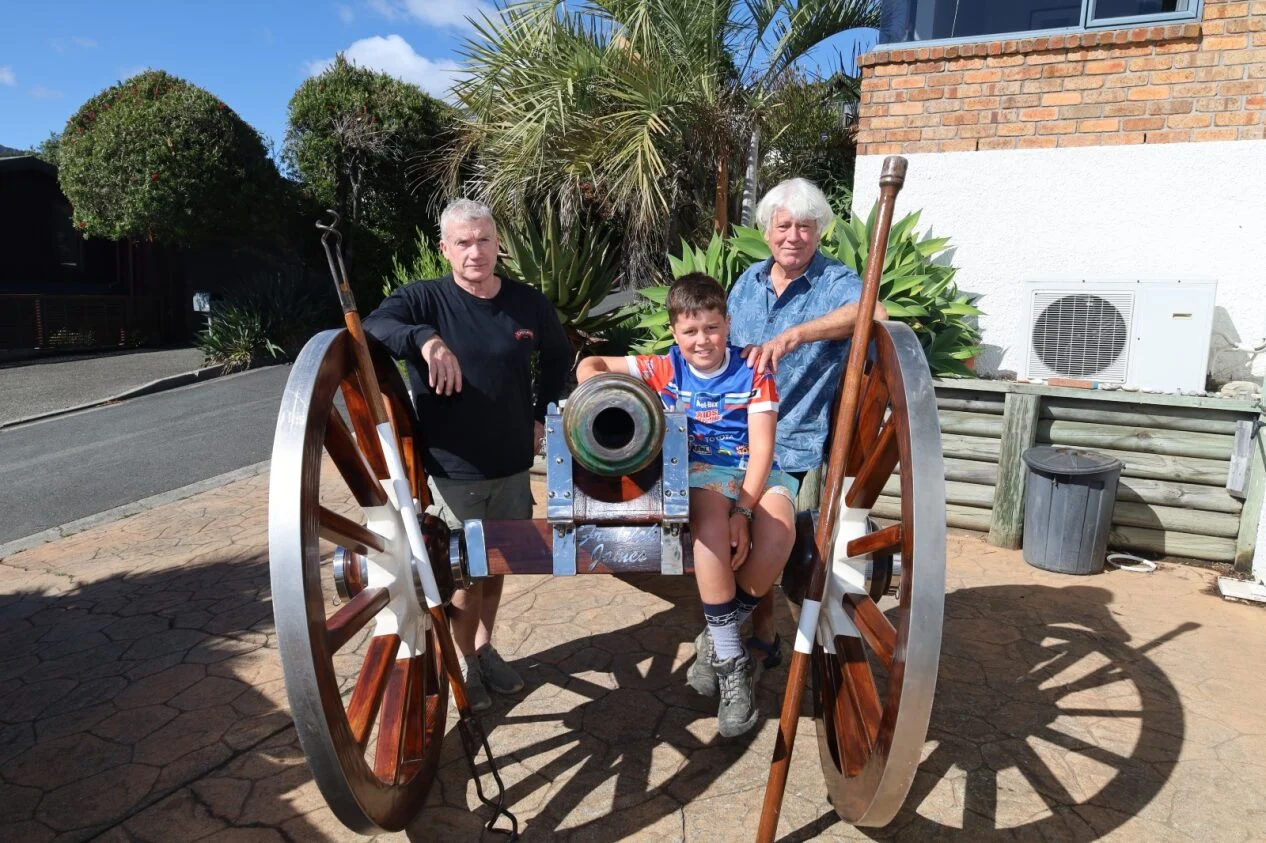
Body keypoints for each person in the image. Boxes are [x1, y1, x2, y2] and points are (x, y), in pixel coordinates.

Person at [364, 198, 571, 712]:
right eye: (463, 242)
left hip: (512, 461)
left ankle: (482, 650)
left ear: (498, 244)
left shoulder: (527, 303)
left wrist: (541, 415)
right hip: (455, 466)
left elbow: (559, 357)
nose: (475, 251)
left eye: (483, 240)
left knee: (496, 566)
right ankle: (463, 665)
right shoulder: (424, 300)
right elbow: (370, 328)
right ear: (445, 249)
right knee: (462, 572)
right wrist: (425, 341)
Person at [576, 273, 797, 738]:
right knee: (710, 527)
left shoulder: (754, 369)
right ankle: (732, 664)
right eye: (691, 331)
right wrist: (600, 390)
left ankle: (715, 638)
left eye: (712, 328)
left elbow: (761, 451)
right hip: (698, 472)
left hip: (752, 470)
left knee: (779, 533)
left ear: (728, 324)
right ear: (675, 332)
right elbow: (592, 361)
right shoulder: (664, 368)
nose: (703, 341)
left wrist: (746, 510)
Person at [713, 177, 888, 672]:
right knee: (718, 526)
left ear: (820, 233)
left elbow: (873, 311)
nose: (793, 236)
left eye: (805, 227)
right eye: (783, 225)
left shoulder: (834, 282)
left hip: (793, 439)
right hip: (731, 433)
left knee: (776, 535)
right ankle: (755, 632)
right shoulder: (747, 281)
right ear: (767, 231)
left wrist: (797, 334)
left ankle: (758, 636)